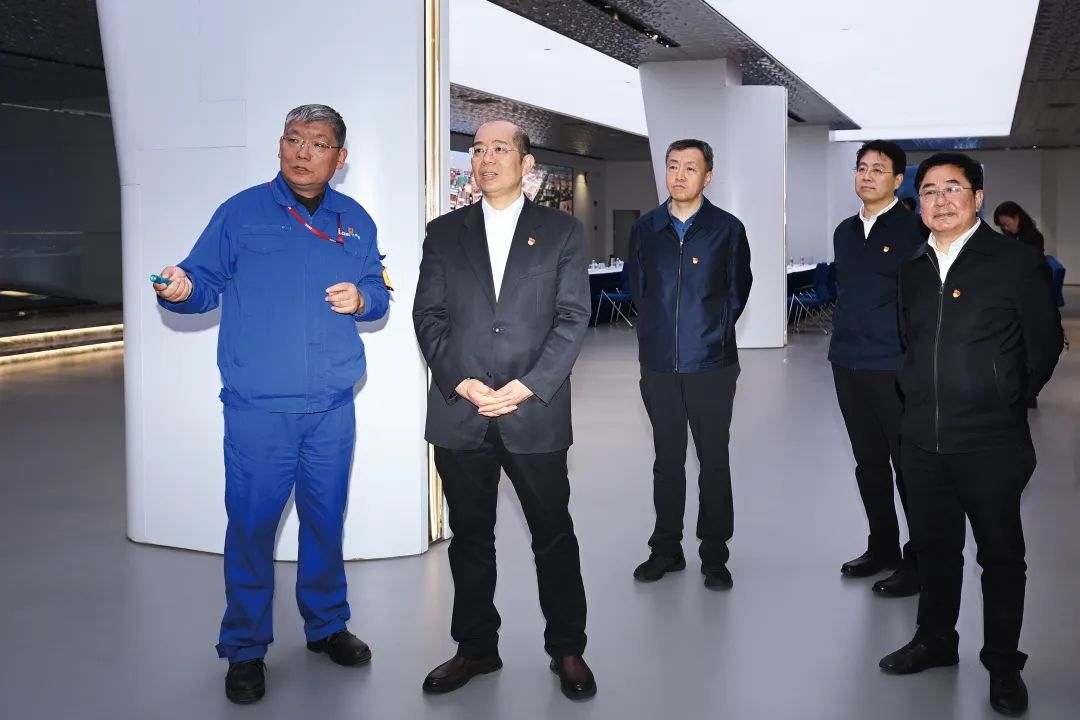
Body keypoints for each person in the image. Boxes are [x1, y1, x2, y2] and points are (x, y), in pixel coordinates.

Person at [153, 104, 390, 704]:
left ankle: (327, 625)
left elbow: (378, 292)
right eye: (293, 139)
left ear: (340, 158)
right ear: (280, 146)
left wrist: (363, 300)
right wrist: (181, 289)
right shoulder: (240, 213)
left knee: (325, 521)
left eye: (318, 143)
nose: (302, 152)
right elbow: (200, 282)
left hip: (332, 407)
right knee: (252, 528)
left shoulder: (356, 221)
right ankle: (245, 647)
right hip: (259, 410)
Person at [412, 120, 596, 700]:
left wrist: (528, 386)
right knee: (469, 537)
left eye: (499, 148)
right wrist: (460, 381)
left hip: (533, 412)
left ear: (526, 164)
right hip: (461, 412)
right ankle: (475, 648)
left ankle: (567, 648)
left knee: (553, 534)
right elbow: (428, 316)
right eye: (477, 149)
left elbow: (573, 317)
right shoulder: (444, 233)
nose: (486, 158)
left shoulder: (561, 232)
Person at [880, 153, 1062, 716]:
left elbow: (1044, 345)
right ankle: (936, 640)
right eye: (929, 190)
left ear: (978, 197)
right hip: (921, 438)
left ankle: (1003, 663)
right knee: (935, 549)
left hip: (990, 440)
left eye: (953, 188)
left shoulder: (1014, 262)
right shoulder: (912, 267)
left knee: (1000, 556)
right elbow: (909, 339)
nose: (940, 200)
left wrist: (1004, 396)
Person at [627, 138, 752, 591]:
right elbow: (637, 287)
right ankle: (666, 549)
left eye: (690, 168)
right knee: (667, 461)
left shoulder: (727, 229)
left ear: (708, 176)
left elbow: (737, 291)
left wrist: (709, 333)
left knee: (714, 461)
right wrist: (658, 334)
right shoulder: (646, 229)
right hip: (659, 364)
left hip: (711, 365)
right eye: (673, 166)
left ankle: (715, 556)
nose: (679, 175)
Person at [829, 140, 924, 598]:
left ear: (898, 180)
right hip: (847, 363)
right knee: (868, 464)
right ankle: (882, 546)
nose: (866, 176)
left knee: (908, 467)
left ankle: (919, 559)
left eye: (878, 169)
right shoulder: (844, 232)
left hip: (893, 366)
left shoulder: (914, 230)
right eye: (861, 168)